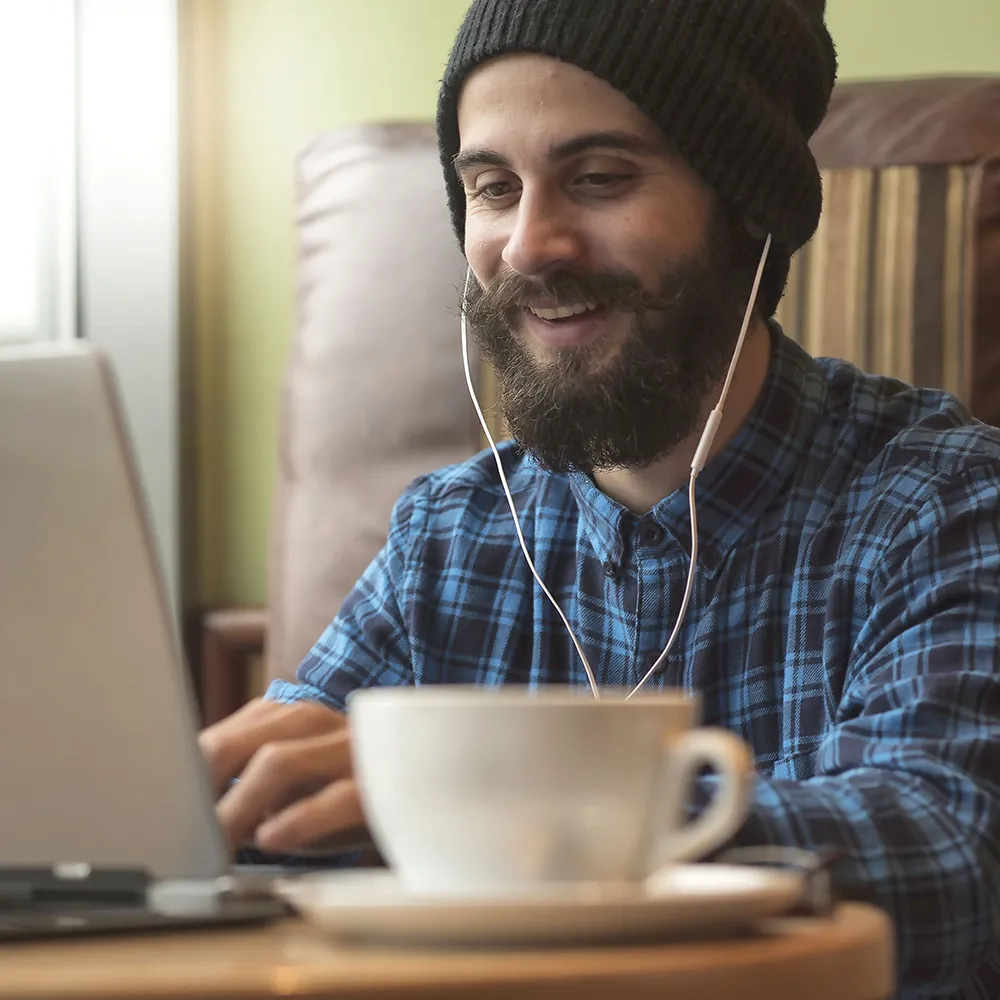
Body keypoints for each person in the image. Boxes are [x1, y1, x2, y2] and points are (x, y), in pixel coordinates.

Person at [199, 1, 1000, 995]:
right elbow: (280, 828)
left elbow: (948, 855)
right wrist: (204, 812)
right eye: (492, 187)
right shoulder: (448, 536)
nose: (529, 246)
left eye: (601, 178)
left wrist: (514, 809)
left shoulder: (942, 498)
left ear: (750, 210)